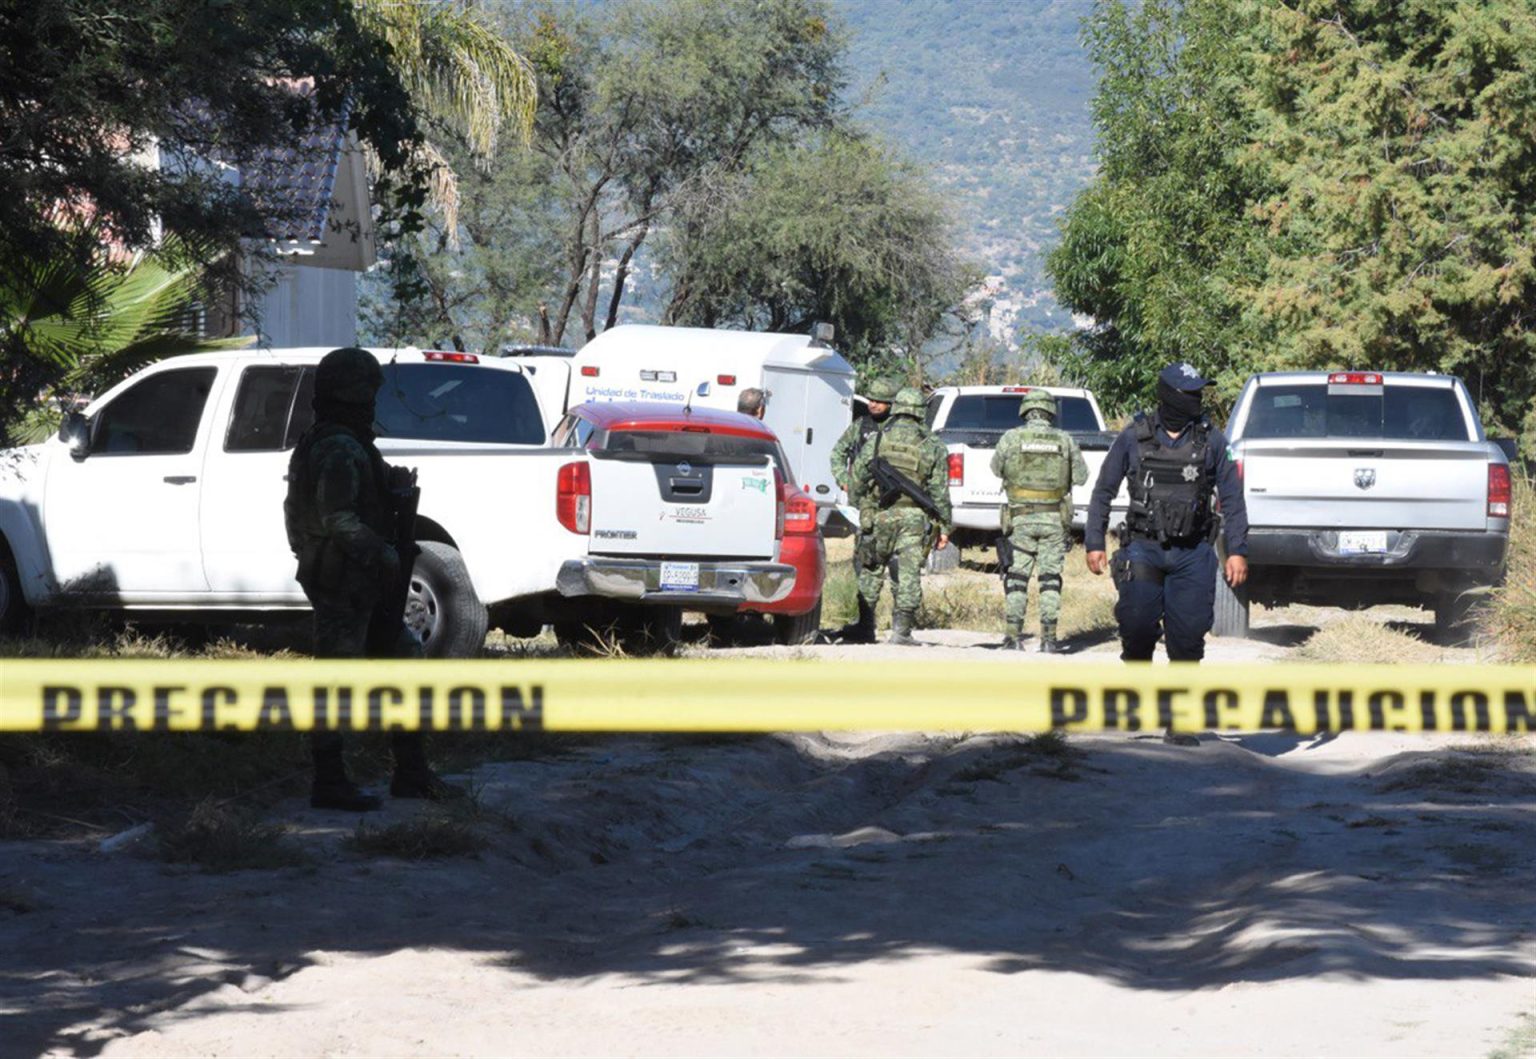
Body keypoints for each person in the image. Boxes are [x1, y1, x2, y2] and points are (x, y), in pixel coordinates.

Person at [284, 347, 461, 810]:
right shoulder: (338, 447)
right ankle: (328, 781)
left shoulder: (351, 443)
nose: (372, 403)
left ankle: (411, 773)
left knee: (403, 657)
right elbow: (336, 518)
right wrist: (382, 553)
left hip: (360, 581)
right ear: (353, 394)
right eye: (366, 394)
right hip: (342, 579)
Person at [1084, 362, 1249, 677]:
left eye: (1199, 393)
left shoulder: (1212, 440)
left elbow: (1232, 498)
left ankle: (1180, 716)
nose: (1197, 399)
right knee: (1137, 629)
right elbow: (1103, 489)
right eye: (1191, 393)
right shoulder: (1134, 437)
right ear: (1170, 395)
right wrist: (1094, 541)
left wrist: (1237, 550)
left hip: (1193, 552)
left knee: (1187, 640)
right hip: (1143, 548)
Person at [848, 387, 952, 646]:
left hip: (878, 515)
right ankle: (902, 632)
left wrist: (861, 507)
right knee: (907, 574)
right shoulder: (933, 446)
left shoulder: (878, 439)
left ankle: (865, 628)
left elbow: (858, 477)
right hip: (914, 519)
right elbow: (940, 491)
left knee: (871, 569)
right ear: (920, 413)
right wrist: (945, 527)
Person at [992, 389, 1088, 652]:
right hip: (1054, 520)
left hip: (1020, 519)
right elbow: (1081, 476)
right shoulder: (1065, 439)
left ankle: (1012, 638)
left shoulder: (1011, 438)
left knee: (1017, 578)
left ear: (1025, 410)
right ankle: (1049, 640)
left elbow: (995, 468)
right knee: (1049, 579)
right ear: (1050, 412)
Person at [824, 376, 901, 642]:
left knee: (900, 566)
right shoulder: (860, 427)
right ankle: (866, 623)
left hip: (896, 506)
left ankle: (902, 626)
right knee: (865, 564)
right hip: (865, 505)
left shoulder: (900, 429)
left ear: (891, 404)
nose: (874, 405)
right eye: (871, 400)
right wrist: (843, 481)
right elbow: (837, 454)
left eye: (880, 401)